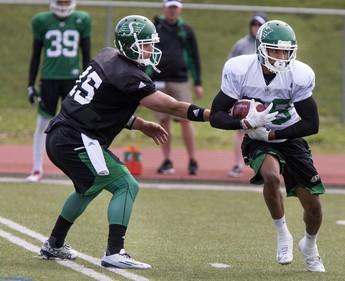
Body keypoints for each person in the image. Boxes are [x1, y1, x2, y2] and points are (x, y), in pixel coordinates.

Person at [39, 15, 210, 269]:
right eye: (146, 44)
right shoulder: (129, 74)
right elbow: (172, 107)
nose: (151, 50)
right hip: (77, 139)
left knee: (88, 188)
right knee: (126, 185)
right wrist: (209, 115)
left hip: (63, 134)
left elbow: (101, 105)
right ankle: (114, 251)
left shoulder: (108, 55)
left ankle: (54, 244)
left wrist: (140, 124)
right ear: (131, 45)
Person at [210, 20, 326, 272]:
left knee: (314, 206)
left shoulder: (299, 74)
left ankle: (310, 244)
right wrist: (244, 122)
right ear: (261, 48)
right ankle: (283, 234)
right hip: (257, 139)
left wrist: (273, 134)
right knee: (272, 176)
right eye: (275, 50)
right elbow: (216, 115)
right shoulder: (240, 69)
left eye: (286, 51)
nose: (281, 56)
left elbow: (312, 123)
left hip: (289, 138)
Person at [26, 0, 91, 182]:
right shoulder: (41, 21)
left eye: (66, 1)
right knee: (43, 123)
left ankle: (78, 169)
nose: (63, 5)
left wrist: (87, 81)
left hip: (73, 78)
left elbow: (86, 54)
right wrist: (30, 84)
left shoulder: (82, 19)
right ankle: (37, 169)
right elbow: (35, 55)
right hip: (49, 78)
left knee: (78, 124)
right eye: (60, 1)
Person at [146, 0, 204, 175]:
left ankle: (192, 160)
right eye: (169, 7)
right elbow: (146, 54)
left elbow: (194, 57)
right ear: (164, 8)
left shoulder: (186, 30)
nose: (172, 11)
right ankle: (166, 160)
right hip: (159, 80)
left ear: (180, 9)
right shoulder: (155, 28)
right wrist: (145, 79)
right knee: (163, 121)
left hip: (180, 80)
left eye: (175, 8)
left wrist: (198, 82)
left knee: (186, 120)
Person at [227, 12, 268, 178]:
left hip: (265, 93)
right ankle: (238, 164)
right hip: (244, 93)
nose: (256, 28)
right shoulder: (241, 45)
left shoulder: (270, 45)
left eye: (260, 25)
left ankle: (264, 165)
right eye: (254, 25)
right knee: (240, 129)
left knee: (264, 129)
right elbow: (230, 68)